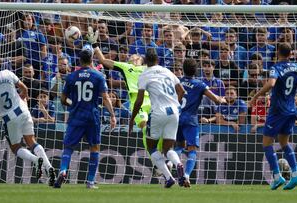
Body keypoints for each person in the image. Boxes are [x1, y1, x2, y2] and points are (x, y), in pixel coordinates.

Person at [94, 46, 170, 175]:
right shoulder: (124, 66)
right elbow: (103, 60)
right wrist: (95, 46)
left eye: (137, 56)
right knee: (145, 128)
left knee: (163, 129)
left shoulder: (149, 69)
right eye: (132, 56)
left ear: (142, 60)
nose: (134, 57)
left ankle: (161, 157)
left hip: (153, 101)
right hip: (137, 102)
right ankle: (156, 162)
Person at [0, 55, 55, 186]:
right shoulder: (7, 73)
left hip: (9, 118)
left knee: (15, 147)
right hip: (23, 110)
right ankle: (50, 169)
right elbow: (24, 88)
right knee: (32, 141)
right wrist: (23, 96)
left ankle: (35, 160)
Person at [250, 43, 297, 190]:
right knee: (285, 144)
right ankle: (296, 175)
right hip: (291, 111)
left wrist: (257, 95)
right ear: (291, 53)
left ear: (278, 53)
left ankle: (278, 177)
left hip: (277, 111)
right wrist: (294, 87)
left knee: (267, 144)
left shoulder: (276, 67)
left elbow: (271, 84)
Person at [53, 47, 116, 189]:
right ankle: (90, 182)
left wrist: (72, 103)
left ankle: (63, 170)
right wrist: (112, 115)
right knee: (94, 147)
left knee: (68, 147)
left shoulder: (71, 77)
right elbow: (105, 98)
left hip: (76, 116)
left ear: (79, 60)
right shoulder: (98, 76)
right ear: (92, 59)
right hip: (92, 116)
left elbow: (63, 99)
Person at [128, 48, 186, 188]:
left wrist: (132, 119)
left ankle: (168, 177)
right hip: (174, 112)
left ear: (145, 61)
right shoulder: (167, 71)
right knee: (168, 148)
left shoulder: (144, 74)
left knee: (152, 147)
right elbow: (182, 91)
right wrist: (176, 104)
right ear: (158, 60)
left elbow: (139, 100)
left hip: (158, 112)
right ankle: (178, 164)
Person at [175, 58, 226, 187]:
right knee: (192, 149)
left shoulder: (177, 81)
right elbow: (215, 99)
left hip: (176, 117)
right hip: (190, 119)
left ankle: (170, 165)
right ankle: (186, 176)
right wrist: (223, 100)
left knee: (179, 146)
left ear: (183, 69)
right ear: (196, 70)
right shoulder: (199, 84)